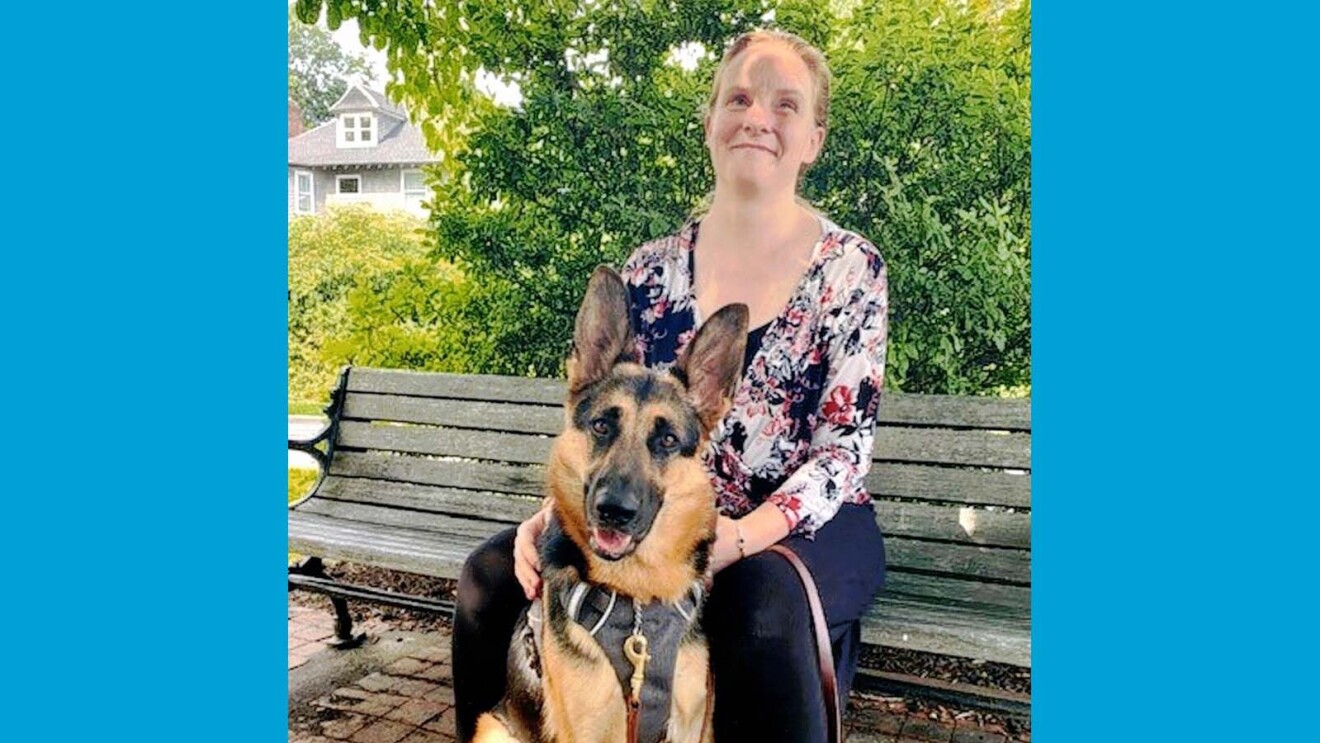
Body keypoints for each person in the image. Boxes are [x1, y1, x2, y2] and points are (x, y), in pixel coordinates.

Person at [453, 29, 888, 742]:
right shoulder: (650, 268)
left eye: (786, 105)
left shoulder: (850, 269)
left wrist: (739, 535)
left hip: (798, 527)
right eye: (739, 97)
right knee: (491, 576)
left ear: (813, 138)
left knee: (758, 602)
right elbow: (607, 412)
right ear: (711, 120)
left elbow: (843, 454)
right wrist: (557, 513)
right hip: (655, 514)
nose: (758, 117)